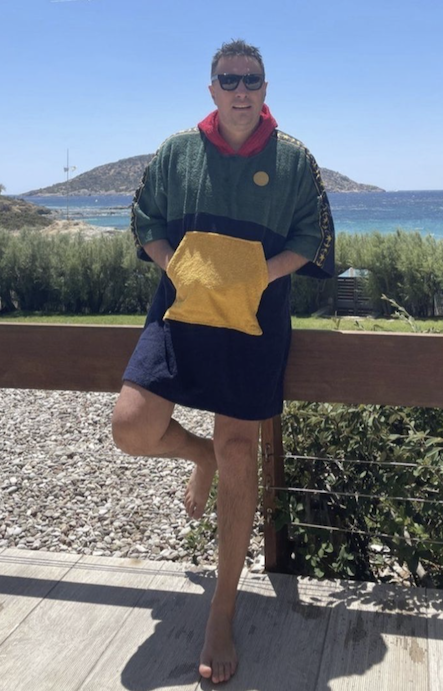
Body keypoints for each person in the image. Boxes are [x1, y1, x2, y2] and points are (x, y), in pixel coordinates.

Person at [112, 39, 334, 684]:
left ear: (266, 89)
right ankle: (198, 456)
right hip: (179, 313)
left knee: (239, 451)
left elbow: (314, 238)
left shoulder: (294, 159)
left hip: (254, 321)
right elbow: (144, 220)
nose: (241, 90)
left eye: (252, 79)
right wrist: (178, 267)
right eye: (229, 79)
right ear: (211, 89)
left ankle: (222, 609)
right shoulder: (177, 151)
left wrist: (255, 275)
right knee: (131, 427)